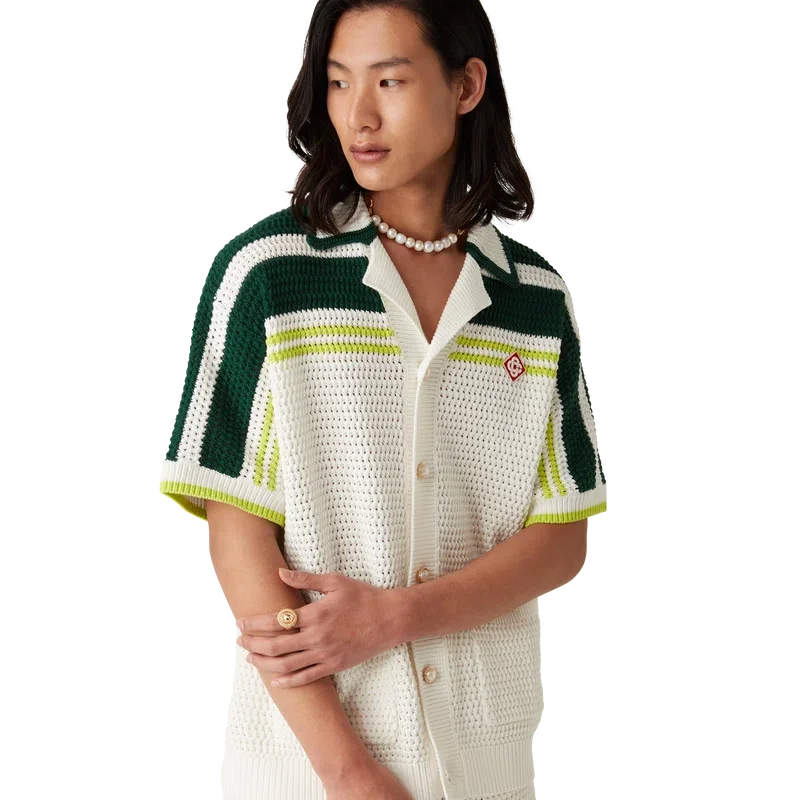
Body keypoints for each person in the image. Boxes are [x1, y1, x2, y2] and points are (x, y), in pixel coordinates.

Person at [156, 1, 608, 798]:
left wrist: (397, 616)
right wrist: (349, 772)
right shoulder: (267, 275)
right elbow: (238, 528)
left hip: (485, 761)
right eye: (337, 84)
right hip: (311, 768)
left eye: (389, 81)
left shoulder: (537, 302)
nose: (357, 116)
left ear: (467, 85)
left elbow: (563, 536)